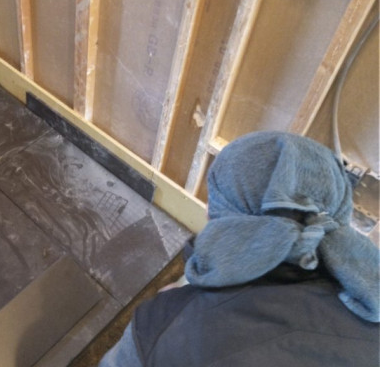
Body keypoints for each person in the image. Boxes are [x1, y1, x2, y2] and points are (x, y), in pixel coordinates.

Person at [99, 131, 379, 367]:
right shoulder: (369, 306)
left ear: (216, 214)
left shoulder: (158, 328)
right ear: (339, 212)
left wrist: (171, 314)